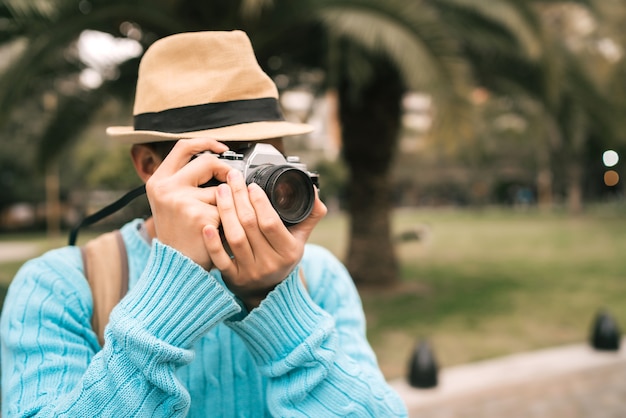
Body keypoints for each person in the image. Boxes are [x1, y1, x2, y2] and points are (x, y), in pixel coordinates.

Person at [0, 30, 408, 417]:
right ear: (148, 165)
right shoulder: (60, 287)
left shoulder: (318, 278)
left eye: (270, 162)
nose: (250, 186)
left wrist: (274, 301)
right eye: (228, 162)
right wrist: (173, 291)